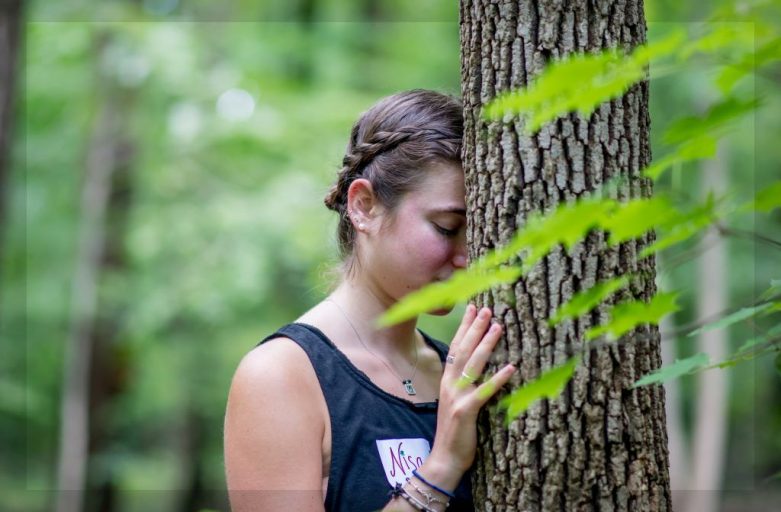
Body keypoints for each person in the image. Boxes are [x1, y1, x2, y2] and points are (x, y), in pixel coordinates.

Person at [223, 89, 516, 511]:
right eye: (448, 227)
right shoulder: (280, 377)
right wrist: (442, 466)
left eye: (477, 232)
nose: (467, 256)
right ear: (363, 206)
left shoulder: (460, 370)